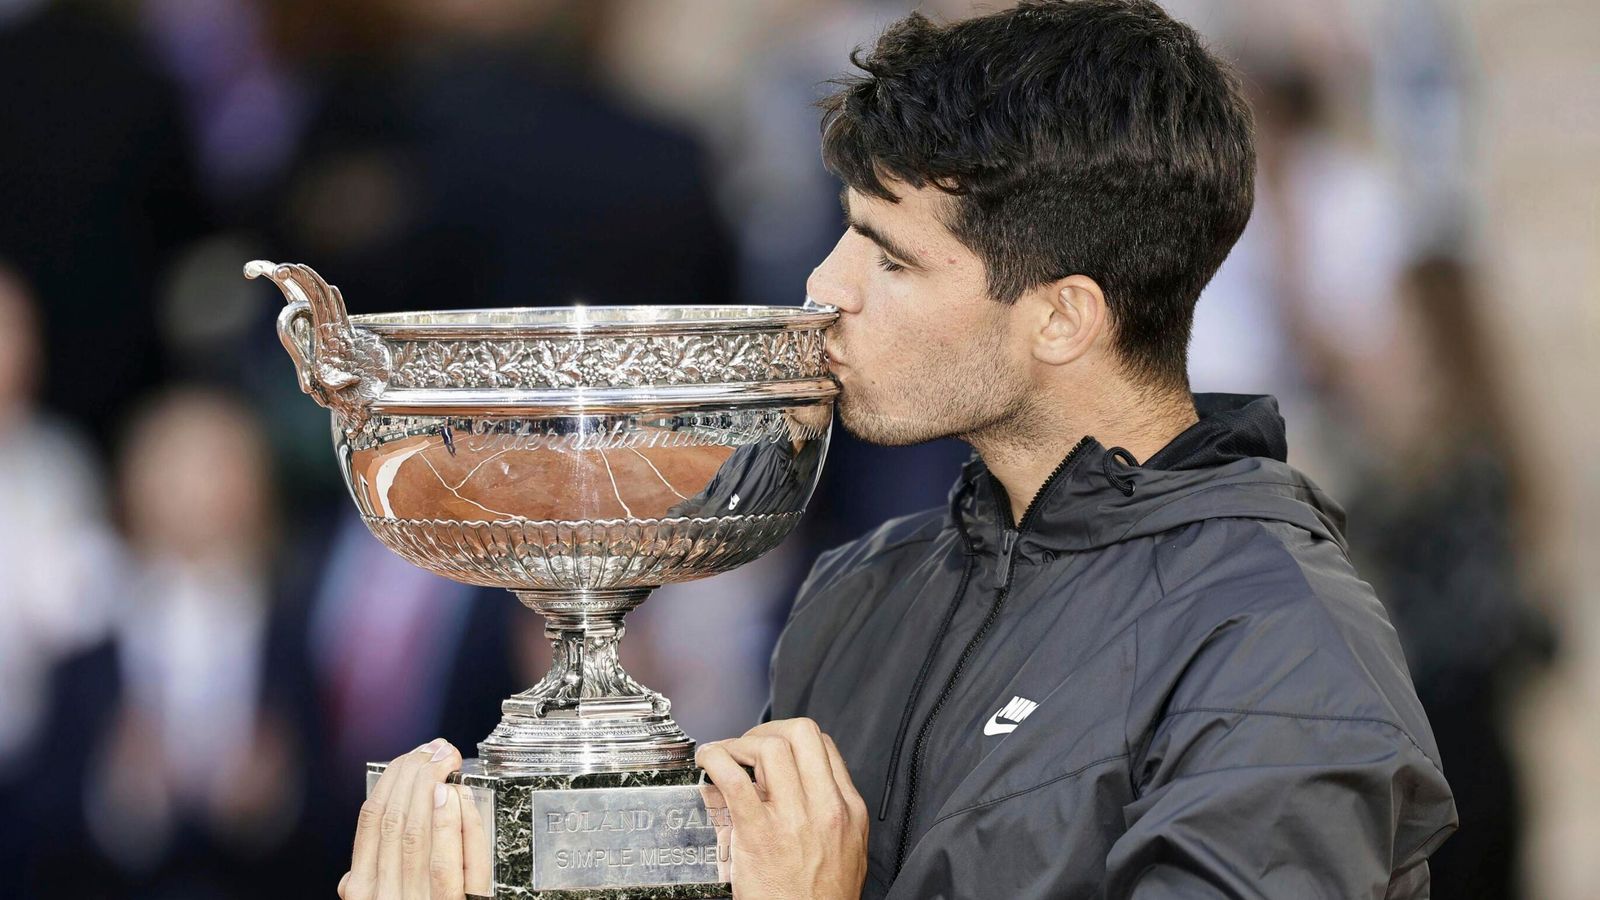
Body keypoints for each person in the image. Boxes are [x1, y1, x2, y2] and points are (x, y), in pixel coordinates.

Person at [344, 2, 1457, 898]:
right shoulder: (863, 588)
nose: (824, 287)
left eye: (891, 257)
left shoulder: (1283, 648)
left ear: (1061, 316)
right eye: (843, 229)